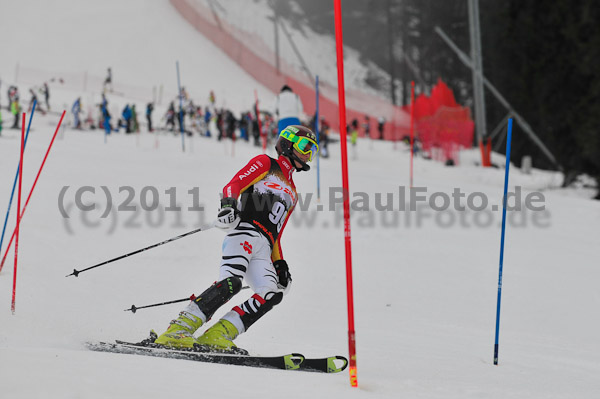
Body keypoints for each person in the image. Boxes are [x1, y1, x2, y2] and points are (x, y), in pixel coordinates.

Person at [153, 125, 319, 353]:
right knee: (232, 283)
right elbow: (234, 184)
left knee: (271, 294)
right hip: (244, 232)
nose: (307, 154)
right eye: (304, 147)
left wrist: (279, 263)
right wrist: (229, 204)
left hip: (265, 247)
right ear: (288, 144)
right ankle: (178, 329)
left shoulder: (293, 192)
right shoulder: (266, 164)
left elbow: (277, 233)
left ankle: (219, 334)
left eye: (312, 150)